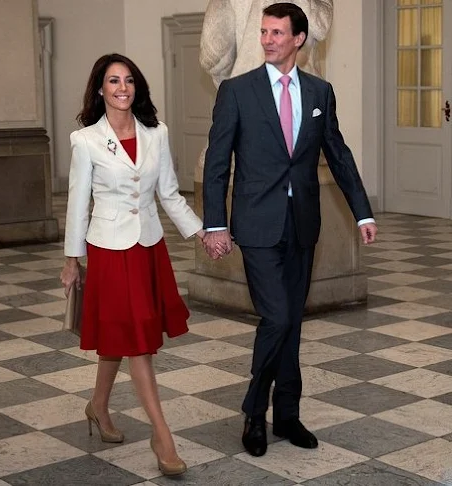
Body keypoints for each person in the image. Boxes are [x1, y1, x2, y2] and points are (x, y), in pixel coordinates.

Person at [202, 3, 377, 457]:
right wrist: (215, 224)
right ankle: (253, 412)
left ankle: (288, 415)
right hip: (257, 225)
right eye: (264, 32)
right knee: (277, 316)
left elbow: (337, 153)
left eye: (277, 32)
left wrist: (362, 213)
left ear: (298, 39)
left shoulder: (320, 91)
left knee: (292, 323)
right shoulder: (237, 91)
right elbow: (218, 163)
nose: (267, 40)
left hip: (303, 226)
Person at [60, 53, 206, 477]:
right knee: (139, 340)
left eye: (128, 81)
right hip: (107, 249)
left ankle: (98, 406)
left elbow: (170, 194)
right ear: (100, 89)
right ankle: (162, 436)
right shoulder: (86, 140)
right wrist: (73, 261)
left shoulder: (155, 134)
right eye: (113, 81)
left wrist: (201, 232)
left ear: (136, 87)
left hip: (147, 247)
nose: (122, 87)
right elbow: (77, 204)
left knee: (123, 333)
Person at [200, 0, 333, 87]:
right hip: (299, 88)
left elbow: (212, 54)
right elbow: (321, 26)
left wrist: (230, 83)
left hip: (247, 90)